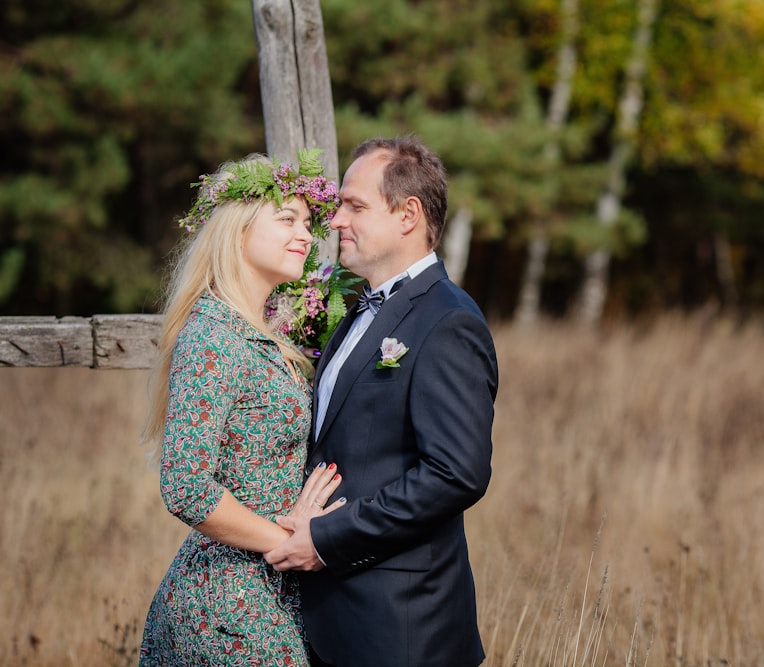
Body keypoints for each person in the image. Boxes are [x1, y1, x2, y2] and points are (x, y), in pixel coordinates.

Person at [265, 136, 499, 667]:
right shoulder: (356, 308)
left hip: (401, 626)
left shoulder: (447, 320)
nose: (337, 220)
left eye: (355, 205)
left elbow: (455, 473)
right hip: (331, 618)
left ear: (408, 214)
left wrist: (326, 539)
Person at [139, 152, 347, 665]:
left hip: (268, 590)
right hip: (227, 603)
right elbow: (186, 486)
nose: (305, 234)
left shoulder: (260, 333)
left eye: (307, 222)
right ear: (237, 233)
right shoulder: (213, 335)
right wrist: (290, 538)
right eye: (286, 219)